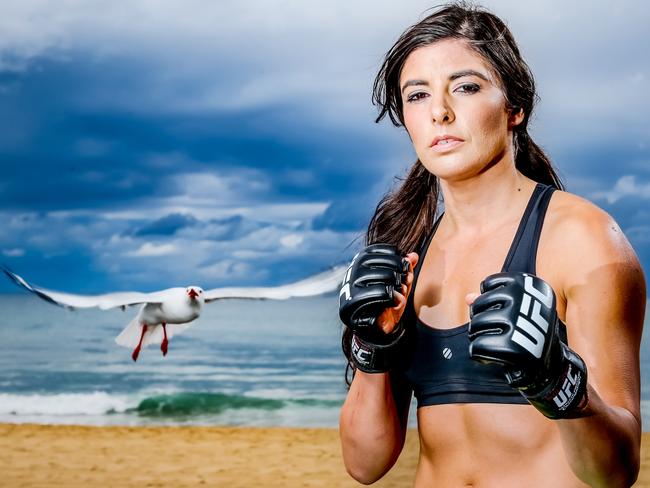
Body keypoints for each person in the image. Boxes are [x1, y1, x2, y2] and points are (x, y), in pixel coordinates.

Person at [338, 3, 646, 487]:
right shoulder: (408, 251)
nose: (440, 111)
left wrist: (557, 384)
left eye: (465, 87)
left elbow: (615, 472)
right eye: (417, 95)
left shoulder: (582, 240)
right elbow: (364, 464)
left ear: (514, 106)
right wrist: (371, 347)